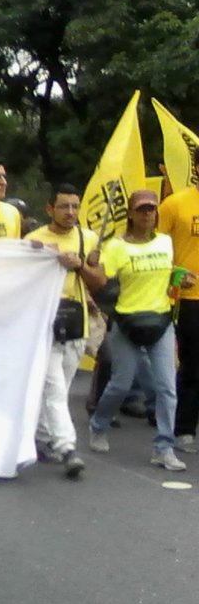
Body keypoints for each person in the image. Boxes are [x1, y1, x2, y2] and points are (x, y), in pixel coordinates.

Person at [89, 190, 192, 471]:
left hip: (160, 321)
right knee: (121, 384)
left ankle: (163, 448)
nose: (148, 214)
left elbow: (167, 269)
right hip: (127, 322)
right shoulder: (116, 247)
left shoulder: (165, 242)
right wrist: (91, 264)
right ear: (131, 214)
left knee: (166, 389)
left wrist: (179, 276)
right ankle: (98, 424)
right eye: (142, 209)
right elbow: (99, 280)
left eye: (152, 210)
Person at [25, 185, 105, 477]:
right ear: (50, 209)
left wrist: (80, 264)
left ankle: (44, 438)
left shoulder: (89, 238)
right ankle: (67, 447)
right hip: (44, 325)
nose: (70, 213)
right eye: (64, 207)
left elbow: (99, 281)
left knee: (61, 387)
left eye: (75, 206)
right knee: (55, 390)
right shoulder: (33, 240)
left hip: (76, 324)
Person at [157, 178, 199, 453]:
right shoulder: (175, 204)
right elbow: (155, 248)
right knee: (193, 366)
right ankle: (184, 429)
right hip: (190, 297)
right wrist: (175, 274)